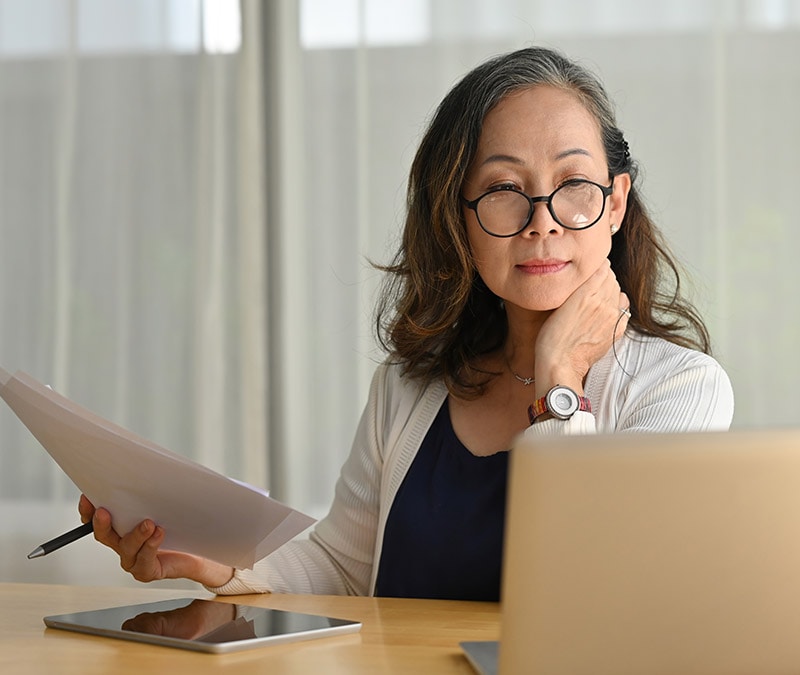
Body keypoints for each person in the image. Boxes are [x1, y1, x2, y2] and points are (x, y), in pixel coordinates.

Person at [79, 46, 734, 601]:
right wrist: (217, 563)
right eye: (505, 188)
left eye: (574, 184)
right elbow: (341, 569)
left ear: (615, 204)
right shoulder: (409, 388)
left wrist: (559, 378)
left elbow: (593, 597)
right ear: (460, 216)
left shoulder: (680, 391)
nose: (543, 220)